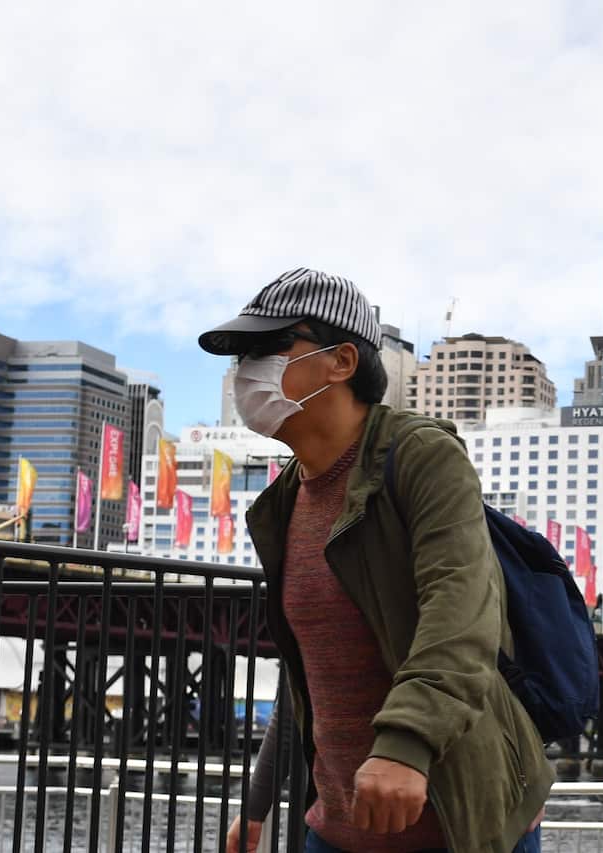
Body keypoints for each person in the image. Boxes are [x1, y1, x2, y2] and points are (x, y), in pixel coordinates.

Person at [201, 268, 553, 853]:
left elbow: (461, 614)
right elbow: (310, 676)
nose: (245, 370)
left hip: (460, 824)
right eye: (240, 355)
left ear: (341, 362)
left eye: (267, 347)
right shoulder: (282, 502)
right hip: (336, 830)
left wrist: (404, 747)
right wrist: (258, 804)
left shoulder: (422, 456)